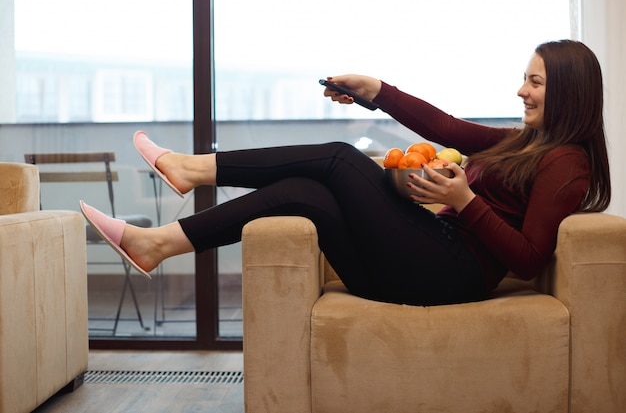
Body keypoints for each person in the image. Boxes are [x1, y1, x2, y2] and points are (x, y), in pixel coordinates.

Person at [81, 39, 610, 307]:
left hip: (454, 274)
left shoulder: (567, 163)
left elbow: (530, 258)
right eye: (524, 79)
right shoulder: (528, 144)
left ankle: (191, 170)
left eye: (535, 82)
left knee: (336, 157)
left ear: (568, 89)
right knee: (306, 191)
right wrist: (376, 90)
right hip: (425, 262)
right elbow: (447, 125)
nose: (521, 91)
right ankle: (157, 245)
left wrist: (467, 203)